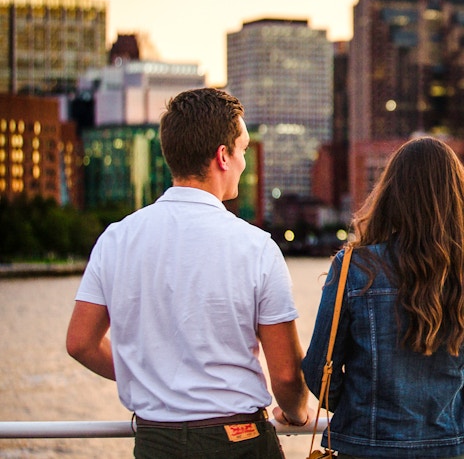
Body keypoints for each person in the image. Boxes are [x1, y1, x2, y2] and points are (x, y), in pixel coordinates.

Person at [67, 87, 309, 459]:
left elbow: (80, 342)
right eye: (242, 150)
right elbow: (288, 375)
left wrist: (148, 376)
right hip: (238, 441)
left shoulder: (117, 238)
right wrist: (297, 413)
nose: (244, 162)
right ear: (223, 156)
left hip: (155, 443)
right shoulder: (256, 247)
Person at [302, 135, 464, 459]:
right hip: (450, 447)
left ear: (391, 194)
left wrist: (358, 405)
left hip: (365, 447)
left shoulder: (354, 266)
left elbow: (319, 370)